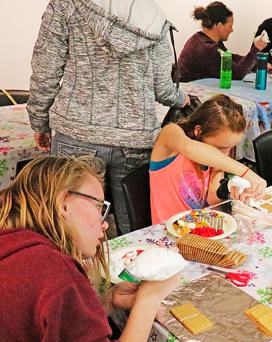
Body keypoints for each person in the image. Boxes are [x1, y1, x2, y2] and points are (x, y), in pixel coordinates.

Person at [28, 0, 189, 235]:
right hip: (135, 138)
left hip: (76, 133)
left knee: (68, 231)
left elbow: (46, 72)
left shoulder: (66, 6)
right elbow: (163, 88)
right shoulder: (154, 18)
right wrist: (181, 99)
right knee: (135, 231)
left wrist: (39, 121)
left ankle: (70, 272)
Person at [0, 156, 181, 342]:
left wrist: (108, 301)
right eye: (99, 207)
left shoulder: (15, 246)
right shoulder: (57, 274)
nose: (104, 225)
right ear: (64, 204)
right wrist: (149, 298)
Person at [150, 95, 267, 224]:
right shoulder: (170, 134)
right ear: (198, 131)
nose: (226, 154)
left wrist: (229, 188)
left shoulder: (215, 158)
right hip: (167, 233)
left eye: (230, 148)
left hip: (199, 230)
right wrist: (246, 172)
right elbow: (189, 148)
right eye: (220, 147)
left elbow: (211, 198)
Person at [177, 2, 268, 82]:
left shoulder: (202, 39)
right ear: (219, 25)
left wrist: (257, 63)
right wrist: (256, 49)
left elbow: (231, 58)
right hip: (191, 95)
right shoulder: (208, 48)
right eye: (230, 26)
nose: (232, 30)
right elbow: (236, 74)